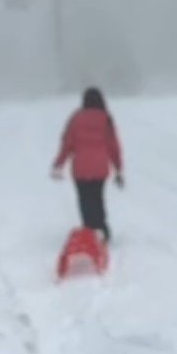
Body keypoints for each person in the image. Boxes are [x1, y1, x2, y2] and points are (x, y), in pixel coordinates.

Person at [51, 87, 123, 242]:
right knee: (97, 198)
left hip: (80, 169)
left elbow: (67, 143)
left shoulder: (76, 118)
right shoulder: (106, 119)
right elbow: (113, 146)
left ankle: (89, 231)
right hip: (100, 168)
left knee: (85, 200)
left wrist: (59, 164)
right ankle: (101, 229)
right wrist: (118, 169)